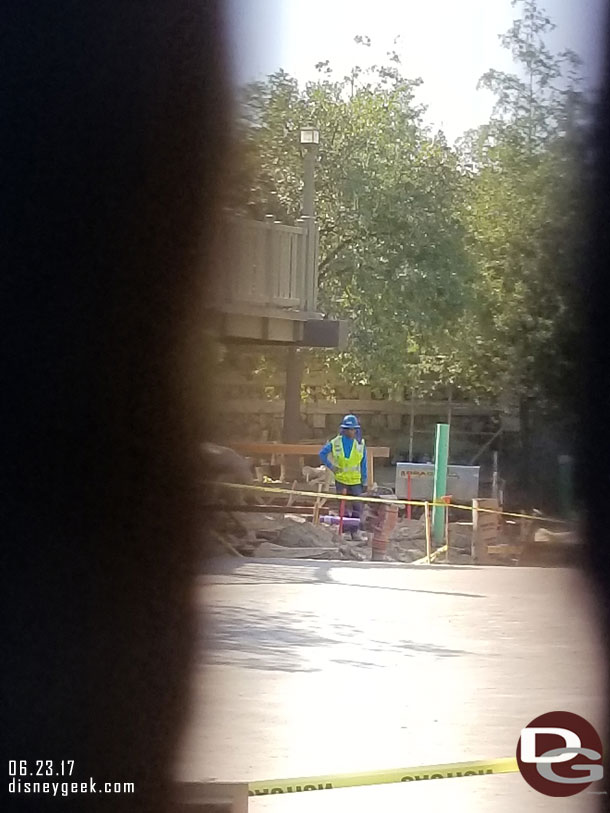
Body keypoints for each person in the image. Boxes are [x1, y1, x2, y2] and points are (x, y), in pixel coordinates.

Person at [319, 414, 367, 539]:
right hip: (341, 480)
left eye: (353, 429)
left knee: (357, 506)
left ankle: (355, 531)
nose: (351, 432)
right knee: (343, 507)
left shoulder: (360, 443)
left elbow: (364, 462)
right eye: (349, 429)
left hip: (356, 481)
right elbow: (322, 454)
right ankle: (345, 531)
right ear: (344, 429)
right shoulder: (336, 442)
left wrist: (365, 479)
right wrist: (331, 466)